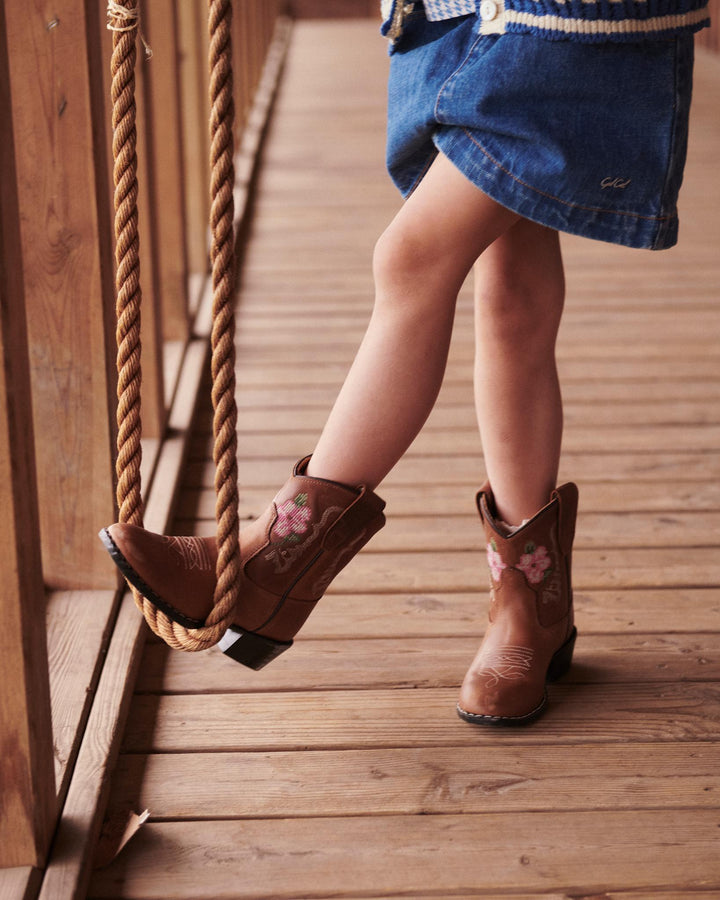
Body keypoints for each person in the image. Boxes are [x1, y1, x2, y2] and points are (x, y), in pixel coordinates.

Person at [101, 0, 709, 725]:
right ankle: (530, 603)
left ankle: (276, 564)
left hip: (563, 21)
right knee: (511, 289)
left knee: (412, 257)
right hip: (458, 18)